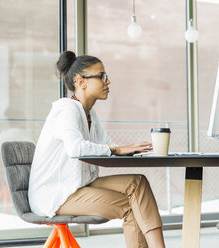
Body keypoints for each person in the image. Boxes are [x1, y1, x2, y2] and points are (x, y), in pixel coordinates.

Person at [28, 51, 166, 248]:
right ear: (80, 82)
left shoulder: (89, 113)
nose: (107, 81)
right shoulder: (66, 109)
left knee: (138, 183)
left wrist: (132, 149)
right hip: (57, 196)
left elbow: (107, 145)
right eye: (101, 76)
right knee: (131, 207)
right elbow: (76, 148)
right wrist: (117, 150)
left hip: (79, 185)